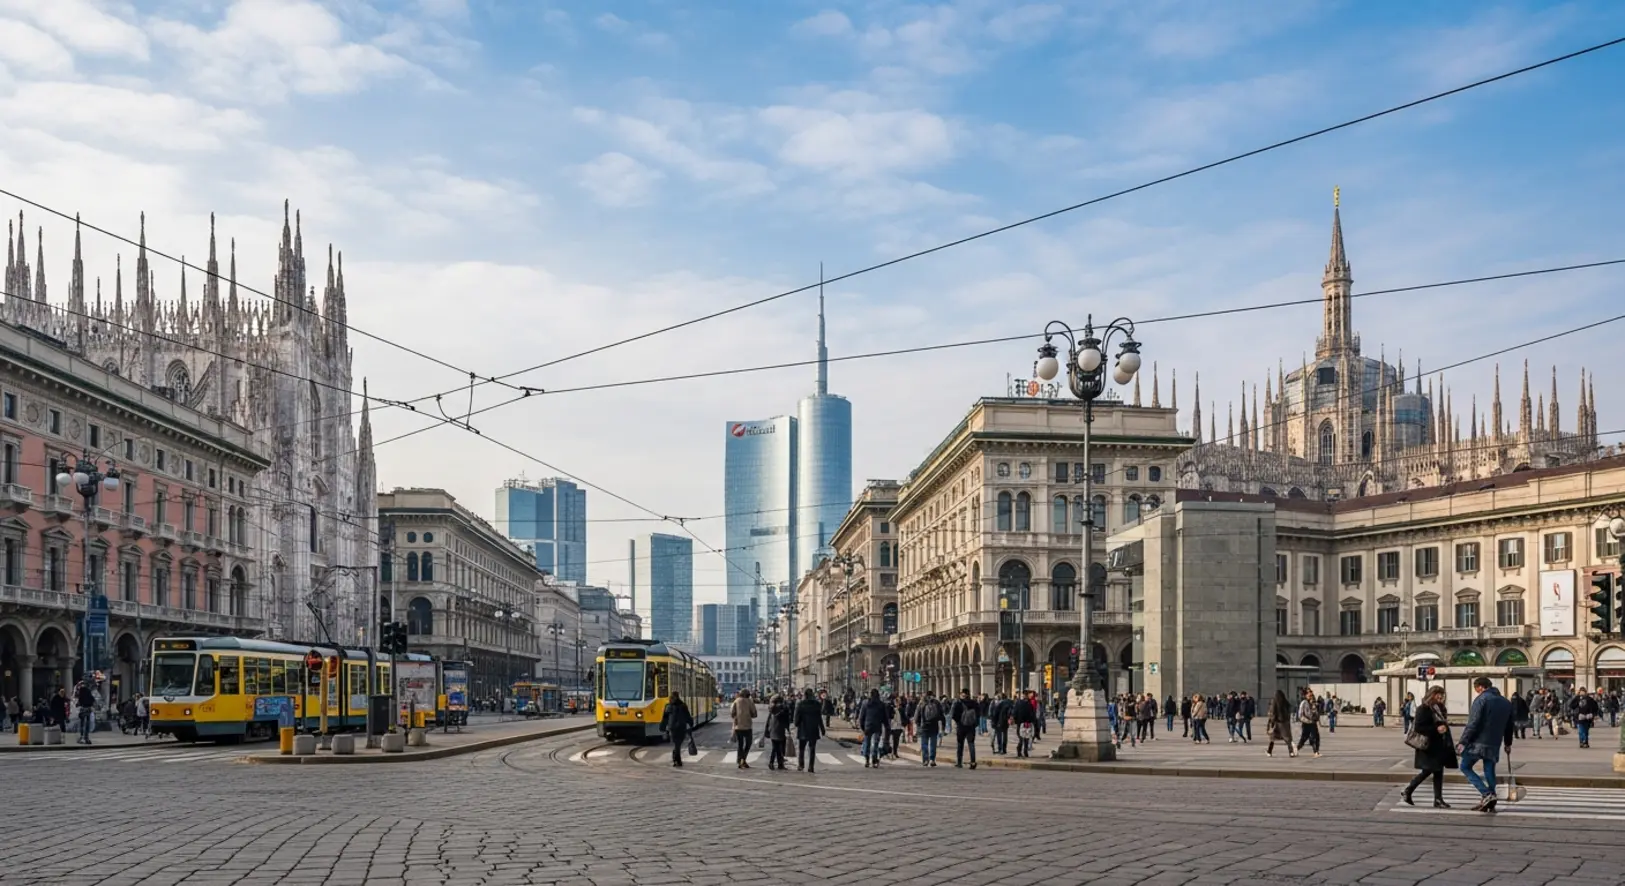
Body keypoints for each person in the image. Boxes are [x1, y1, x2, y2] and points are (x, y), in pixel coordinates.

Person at [1457, 676, 1515, 813]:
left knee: (1465, 766)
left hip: (1478, 742)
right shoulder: (1506, 702)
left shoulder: (1481, 699)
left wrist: (1463, 741)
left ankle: (1486, 793)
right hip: (1495, 742)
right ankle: (1491, 799)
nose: (1477, 692)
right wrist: (1508, 743)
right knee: (1489, 770)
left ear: (1480, 687)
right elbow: (1509, 726)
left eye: (1476, 689)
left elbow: (1473, 723)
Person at [1403, 685, 1455, 808]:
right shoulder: (1423, 708)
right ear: (1431, 695)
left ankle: (1437, 799)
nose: (1441, 697)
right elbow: (1419, 727)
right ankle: (1409, 790)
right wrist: (1436, 729)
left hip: (1439, 745)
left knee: (1437, 771)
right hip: (1428, 746)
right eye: (1438, 694)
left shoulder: (1439, 708)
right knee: (1429, 770)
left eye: (1442, 695)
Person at [660, 691, 694, 768]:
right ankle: (677, 759)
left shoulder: (668, 706)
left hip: (672, 728)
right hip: (682, 727)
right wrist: (691, 723)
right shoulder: (683, 705)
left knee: (676, 744)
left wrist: (662, 727)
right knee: (678, 744)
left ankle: (676, 757)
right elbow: (687, 716)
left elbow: (665, 718)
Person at [793, 688, 824, 772]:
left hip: (803, 729)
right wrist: (822, 729)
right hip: (813, 729)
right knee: (812, 749)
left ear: (805, 695)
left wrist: (796, 724)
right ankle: (811, 766)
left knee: (802, 748)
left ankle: (801, 765)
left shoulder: (800, 704)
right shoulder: (817, 704)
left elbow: (796, 719)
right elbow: (819, 718)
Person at [858, 689, 889, 768]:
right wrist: (887, 727)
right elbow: (885, 718)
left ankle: (867, 759)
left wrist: (862, 727)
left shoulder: (865, 703)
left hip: (868, 726)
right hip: (877, 726)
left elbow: (861, 717)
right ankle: (874, 760)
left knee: (867, 743)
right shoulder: (881, 704)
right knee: (875, 743)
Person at [949, 688, 979, 769]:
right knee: (971, 744)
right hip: (971, 727)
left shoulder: (958, 703)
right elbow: (978, 714)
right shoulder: (974, 703)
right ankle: (973, 762)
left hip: (961, 726)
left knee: (960, 744)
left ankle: (959, 762)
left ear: (962, 694)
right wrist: (975, 724)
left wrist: (958, 722)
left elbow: (954, 715)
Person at [729, 689, 757, 769]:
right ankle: (743, 759)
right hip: (747, 726)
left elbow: (732, 712)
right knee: (748, 744)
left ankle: (740, 760)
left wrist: (736, 716)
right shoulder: (750, 701)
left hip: (738, 726)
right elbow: (754, 713)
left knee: (740, 744)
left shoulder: (736, 701)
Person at [916, 691, 945, 767]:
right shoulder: (937, 703)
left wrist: (918, 725)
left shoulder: (922, 703)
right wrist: (943, 727)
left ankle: (925, 759)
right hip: (934, 726)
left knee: (924, 744)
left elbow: (917, 715)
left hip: (924, 726)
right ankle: (932, 759)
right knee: (933, 744)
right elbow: (941, 715)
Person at [1264, 689, 1296, 758]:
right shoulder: (1285, 702)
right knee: (1287, 739)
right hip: (1285, 723)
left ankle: (1269, 752)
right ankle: (1291, 752)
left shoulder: (1274, 702)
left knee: (1272, 738)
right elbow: (1289, 710)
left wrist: (1272, 722)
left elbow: (1273, 713)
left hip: (1277, 722)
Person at [765, 695, 791, 770]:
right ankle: (772, 763)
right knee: (777, 748)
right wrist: (788, 729)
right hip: (780, 729)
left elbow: (768, 720)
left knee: (776, 747)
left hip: (772, 729)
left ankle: (779, 764)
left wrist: (766, 730)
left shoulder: (771, 708)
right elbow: (787, 720)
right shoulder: (783, 708)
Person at [1295, 689, 1321, 757]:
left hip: (1313, 723)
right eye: (1309, 694)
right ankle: (1296, 749)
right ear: (1306, 695)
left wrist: (1315, 707)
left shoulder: (1313, 703)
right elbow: (1300, 715)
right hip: (1306, 723)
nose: (1311, 695)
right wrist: (1306, 720)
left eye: (1311, 694)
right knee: (1304, 738)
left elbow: (1316, 714)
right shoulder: (1303, 703)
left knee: (1315, 737)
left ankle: (1316, 752)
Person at [74, 681, 96, 745]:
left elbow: (80, 701)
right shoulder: (89, 692)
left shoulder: (82, 691)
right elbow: (92, 700)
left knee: (82, 724)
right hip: (88, 709)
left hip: (83, 709)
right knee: (87, 724)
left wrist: (78, 704)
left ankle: (82, 737)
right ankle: (86, 737)